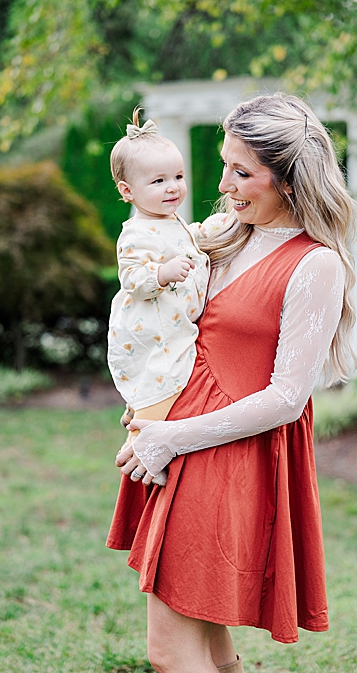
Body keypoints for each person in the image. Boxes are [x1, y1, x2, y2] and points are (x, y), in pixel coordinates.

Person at [106, 93, 357, 673]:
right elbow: (155, 308)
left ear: (290, 181)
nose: (223, 184)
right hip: (178, 436)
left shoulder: (315, 264)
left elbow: (287, 399)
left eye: (241, 172)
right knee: (214, 652)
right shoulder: (224, 232)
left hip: (226, 452)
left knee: (170, 654)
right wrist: (150, 404)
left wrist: (171, 436)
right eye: (224, 165)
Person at [106, 108, 211, 487]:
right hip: (152, 330)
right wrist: (161, 273)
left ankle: (138, 415)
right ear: (127, 191)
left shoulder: (172, 221)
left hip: (174, 325)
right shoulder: (136, 232)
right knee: (164, 378)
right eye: (159, 180)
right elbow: (132, 276)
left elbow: (192, 240)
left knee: (165, 378)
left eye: (178, 177)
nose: (173, 187)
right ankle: (141, 445)